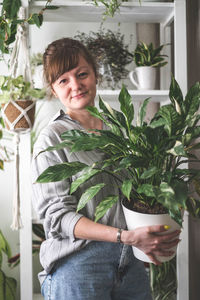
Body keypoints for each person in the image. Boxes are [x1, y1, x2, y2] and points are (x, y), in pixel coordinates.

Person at [31, 37, 180, 300]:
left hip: (130, 264)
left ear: (96, 76)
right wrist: (128, 237)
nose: (75, 85)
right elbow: (58, 217)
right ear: (53, 90)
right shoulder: (52, 138)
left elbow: (138, 194)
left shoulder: (119, 131)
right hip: (78, 266)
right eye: (63, 80)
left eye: (82, 74)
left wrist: (156, 233)